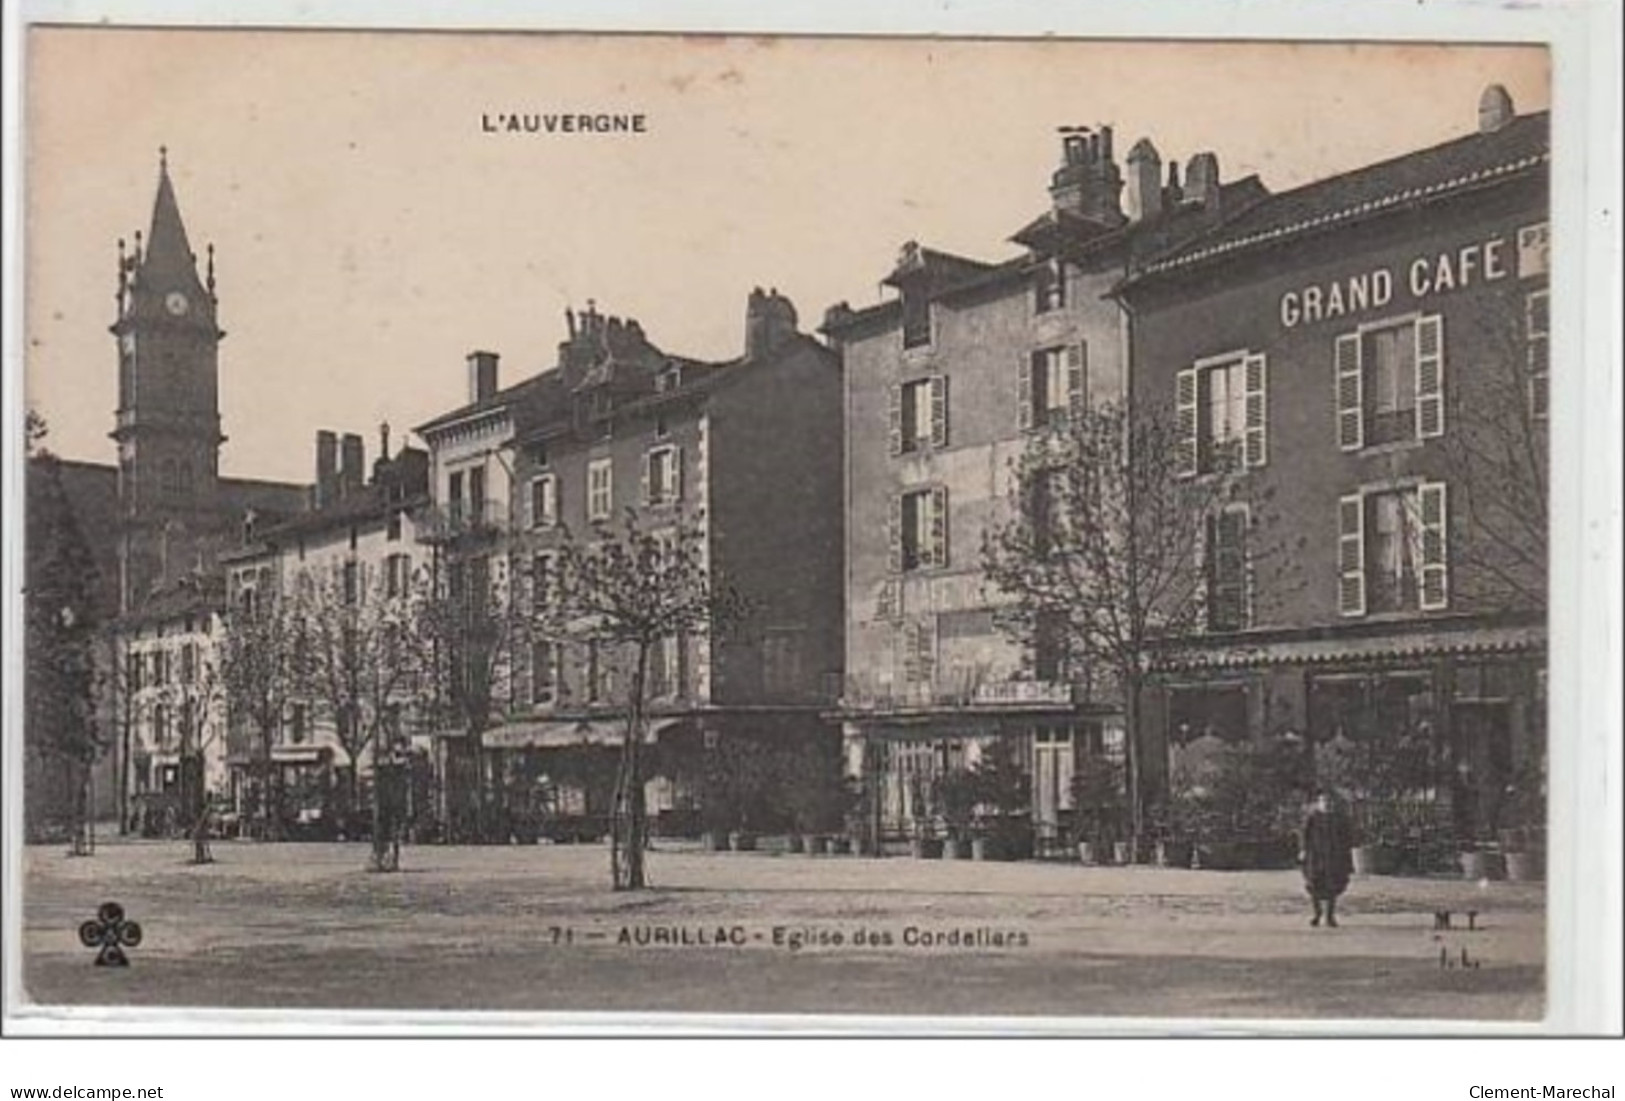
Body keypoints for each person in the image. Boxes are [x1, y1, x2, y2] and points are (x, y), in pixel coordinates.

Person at [1300, 788, 1353, 927]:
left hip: (1334, 857)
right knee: (1314, 885)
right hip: (1315, 856)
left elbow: (1346, 838)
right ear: (1318, 802)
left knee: (1332, 886)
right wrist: (1303, 850)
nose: (1327, 803)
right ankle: (1317, 914)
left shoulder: (1339, 818)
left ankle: (1330, 916)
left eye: (1330, 801)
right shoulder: (1312, 817)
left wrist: (1346, 854)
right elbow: (1304, 835)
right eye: (1324, 801)